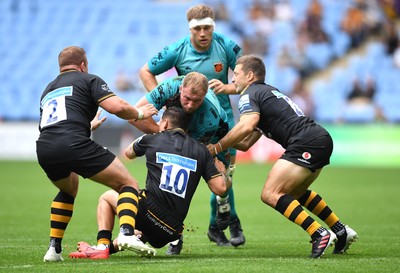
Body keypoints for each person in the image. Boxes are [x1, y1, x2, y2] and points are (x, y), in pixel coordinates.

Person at [207, 55, 358, 258]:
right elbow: (244, 143)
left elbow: (246, 125)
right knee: (295, 193)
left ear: (250, 75)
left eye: (236, 74)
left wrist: (216, 147)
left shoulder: (249, 94)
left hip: (306, 142)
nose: (233, 79)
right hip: (318, 138)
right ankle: (340, 230)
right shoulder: (267, 92)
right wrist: (216, 139)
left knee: (270, 194)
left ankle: (318, 233)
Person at [139, 4, 245, 253]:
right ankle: (180, 235)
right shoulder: (177, 49)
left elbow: (248, 79)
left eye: (207, 27)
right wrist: (163, 100)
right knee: (180, 179)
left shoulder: (227, 45)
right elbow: (145, 71)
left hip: (222, 125)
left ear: (213, 27)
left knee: (223, 175)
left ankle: (218, 225)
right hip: (186, 126)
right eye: (198, 28)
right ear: (190, 29)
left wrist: (228, 88)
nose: (203, 33)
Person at [37, 46, 158, 262]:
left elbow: (55, 124)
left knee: (69, 189)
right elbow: (116, 106)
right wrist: (140, 113)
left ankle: (54, 248)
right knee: (127, 184)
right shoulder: (88, 79)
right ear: (83, 65)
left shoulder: (48, 89)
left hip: (45, 147)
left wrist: (85, 126)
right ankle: (128, 234)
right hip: (73, 143)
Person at [68, 106, 232, 259]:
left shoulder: (152, 140)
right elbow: (220, 188)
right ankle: (103, 250)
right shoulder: (201, 151)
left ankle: (102, 245)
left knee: (108, 197)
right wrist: (224, 173)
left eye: (161, 121)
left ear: (165, 123)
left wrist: (148, 135)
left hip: (148, 213)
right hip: (170, 232)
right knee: (138, 227)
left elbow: (129, 153)